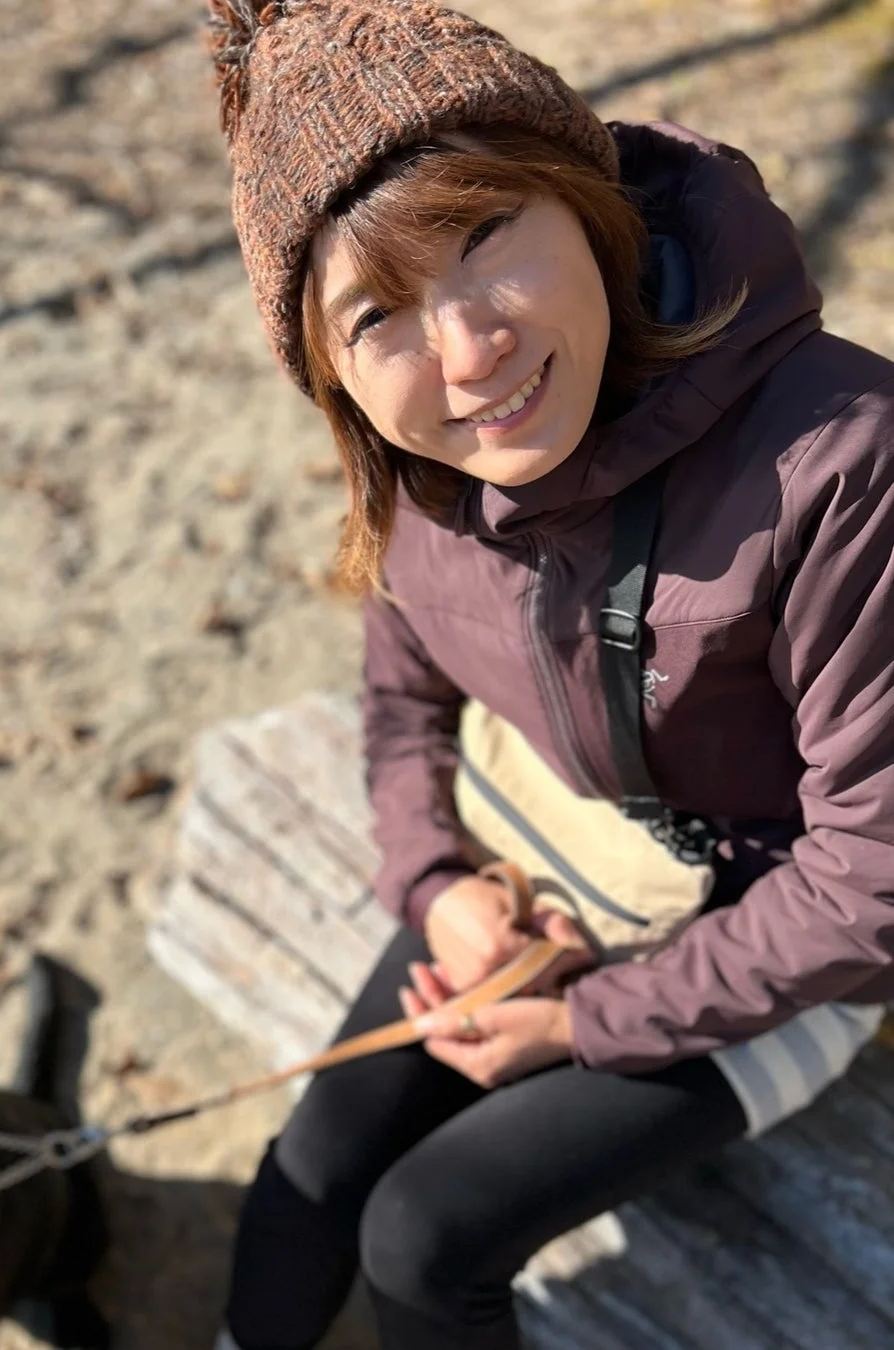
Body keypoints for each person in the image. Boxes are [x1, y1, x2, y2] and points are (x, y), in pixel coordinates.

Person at [201, 4, 894, 1348]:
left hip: (773, 927)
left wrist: (589, 1019)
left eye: (482, 238)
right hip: (539, 865)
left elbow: (870, 881)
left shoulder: (842, 460)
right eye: (378, 315)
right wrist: (436, 885)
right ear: (332, 376)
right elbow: (401, 699)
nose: (467, 353)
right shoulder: (414, 470)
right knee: (313, 1168)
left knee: (424, 1228)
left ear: (587, 202)